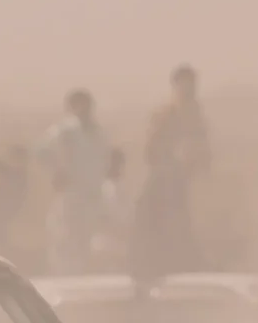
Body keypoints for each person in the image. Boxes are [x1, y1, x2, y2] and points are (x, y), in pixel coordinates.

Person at [133, 64, 211, 282]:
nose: (189, 89)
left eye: (192, 84)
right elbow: (151, 149)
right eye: (184, 84)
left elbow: (204, 147)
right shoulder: (166, 113)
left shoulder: (196, 114)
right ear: (176, 85)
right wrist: (172, 159)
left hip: (189, 180)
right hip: (166, 179)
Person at [34, 89, 115, 272]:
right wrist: (56, 172)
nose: (83, 109)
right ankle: (63, 275)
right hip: (70, 194)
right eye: (78, 105)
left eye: (86, 105)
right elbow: (41, 151)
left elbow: (105, 161)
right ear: (70, 108)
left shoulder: (99, 132)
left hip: (93, 194)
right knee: (65, 237)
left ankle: (84, 274)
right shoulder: (64, 130)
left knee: (89, 239)